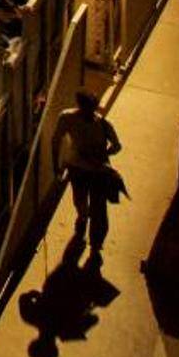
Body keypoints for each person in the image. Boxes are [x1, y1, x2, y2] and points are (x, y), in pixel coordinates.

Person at [53, 91, 123, 253]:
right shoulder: (97, 123)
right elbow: (117, 146)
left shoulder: (70, 118)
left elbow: (56, 141)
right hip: (88, 170)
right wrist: (104, 154)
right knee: (90, 204)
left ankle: (90, 232)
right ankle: (90, 232)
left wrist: (56, 165)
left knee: (89, 204)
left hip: (86, 170)